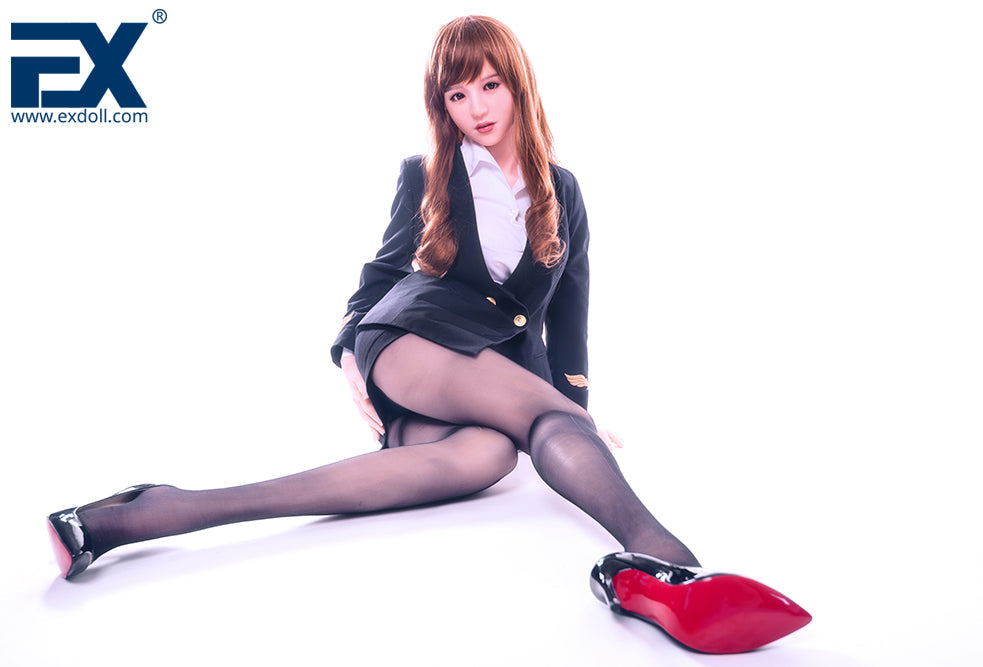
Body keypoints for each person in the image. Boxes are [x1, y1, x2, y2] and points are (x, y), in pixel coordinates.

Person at [46, 15, 810, 654]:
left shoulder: (564, 190)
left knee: (488, 455)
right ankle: (665, 565)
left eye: (490, 85)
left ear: (518, 84)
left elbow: (570, 311)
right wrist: (348, 357)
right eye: (458, 93)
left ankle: (148, 512)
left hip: (489, 370)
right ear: (442, 104)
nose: (477, 106)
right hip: (409, 340)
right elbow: (379, 275)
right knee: (541, 422)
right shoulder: (427, 172)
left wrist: (577, 404)